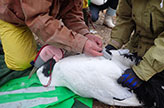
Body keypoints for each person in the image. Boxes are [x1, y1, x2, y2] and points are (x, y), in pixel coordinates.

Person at [0, 0, 103, 71]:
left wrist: (85, 34)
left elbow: (72, 15)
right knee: (21, 63)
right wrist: (81, 44)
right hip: (12, 16)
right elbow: (39, 20)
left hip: (35, 16)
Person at [105, 0, 164, 90]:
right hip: (137, 49)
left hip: (159, 58)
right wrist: (114, 44)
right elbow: (125, 18)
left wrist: (142, 72)